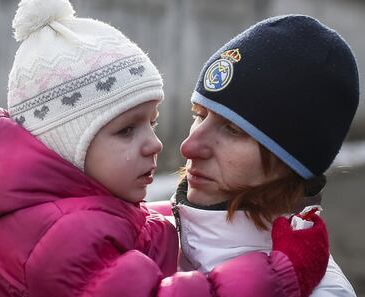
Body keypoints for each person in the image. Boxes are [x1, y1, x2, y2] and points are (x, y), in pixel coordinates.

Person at [0, 1, 329, 296]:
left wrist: (172, 218)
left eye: (153, 121)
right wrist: (284, 272)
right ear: (66, 147)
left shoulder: (62, 215)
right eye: (126, 130)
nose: (162, 144)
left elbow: (128, 231)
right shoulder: (64, 233)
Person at [153, 14, 358, 297]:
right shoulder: (139, 232)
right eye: (199, 116)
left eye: (233, 130)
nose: (189, 146)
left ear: (290, 163)